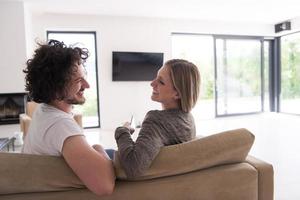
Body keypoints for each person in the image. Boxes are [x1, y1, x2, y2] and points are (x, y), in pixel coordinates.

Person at [22, 40, 115, 196]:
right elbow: (105, 186)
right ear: (56, 89)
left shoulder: (43, 110)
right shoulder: (59, 124)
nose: (87, 85)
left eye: (84, 77)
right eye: (79, 81)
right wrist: (98, 148)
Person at [115, 59, 200, 178]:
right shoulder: (188, 118)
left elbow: (133, 167)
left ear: (177, 94)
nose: (152, 83)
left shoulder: (156, 120)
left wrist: (122, 131)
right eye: (156, 77)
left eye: (160, 82)